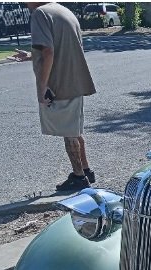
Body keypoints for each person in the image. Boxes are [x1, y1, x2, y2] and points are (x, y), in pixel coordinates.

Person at [14, 2, 97, 194]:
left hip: (60, 84)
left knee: (69, 133)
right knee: (74, 129)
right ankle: (86, 170)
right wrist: (31, 55)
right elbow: (60, 48)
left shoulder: (40, 14)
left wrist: (43, 86)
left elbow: (49, 51)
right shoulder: (63, 11)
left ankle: (79, 177)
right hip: (75, 80)